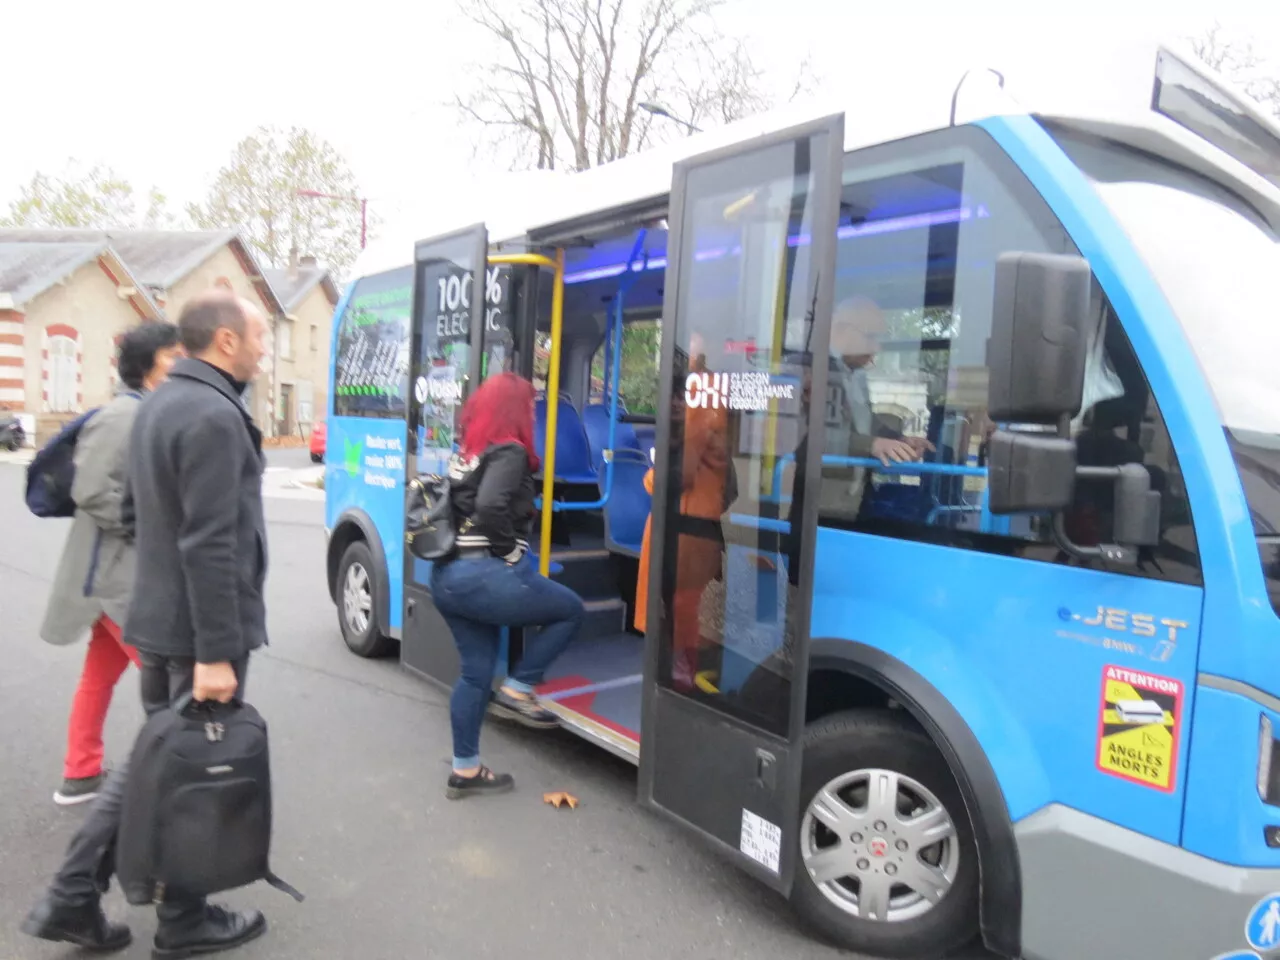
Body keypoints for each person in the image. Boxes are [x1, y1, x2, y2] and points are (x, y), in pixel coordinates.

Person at [22, 289, 272, 958]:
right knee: (173, 768)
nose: (264, 348)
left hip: (158, 619)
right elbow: (212, 543)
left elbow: (135, 516)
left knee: (159, 765)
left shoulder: (154, 404)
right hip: (198, 635)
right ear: (226, 342)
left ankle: (80, 898)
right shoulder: (216, 416)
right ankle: (167, 915)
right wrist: (217, 651)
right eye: (259, 337)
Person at [41, 323, 183, 806]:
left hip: (118, 576)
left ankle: (80, 774)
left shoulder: (145, 412)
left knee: (99, 674)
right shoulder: (123, 416)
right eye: (173, 355)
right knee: (173, 677)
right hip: (118, 578)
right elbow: (93, 492)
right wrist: (156, 527)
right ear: (147, 365)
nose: (182, 363)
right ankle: (165, 785)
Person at [430, 372, 584, 799]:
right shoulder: (511, 451)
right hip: (483, 574)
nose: (533, 412)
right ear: (515, 411)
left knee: (476, 673)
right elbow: (490, 506)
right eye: (531, 405)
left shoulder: (470, 452)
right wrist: (512, 555)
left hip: (448, 577)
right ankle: (520, 688)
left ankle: (465, 771)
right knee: (569, 610)